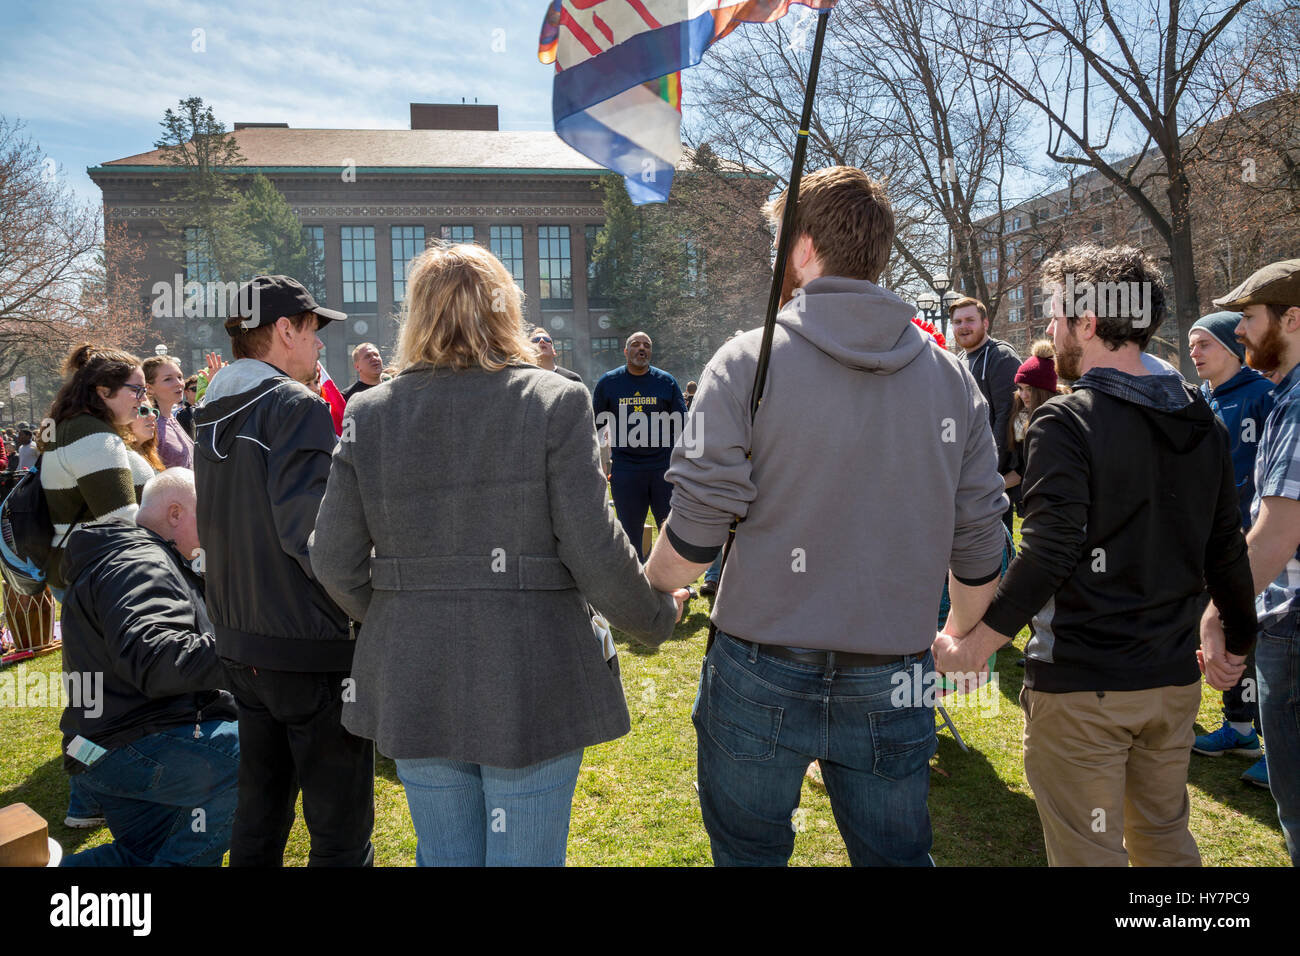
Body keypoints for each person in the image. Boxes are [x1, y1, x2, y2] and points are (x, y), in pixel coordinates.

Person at [644, 166, 1008, 867]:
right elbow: (979, 539)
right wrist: (962, 631)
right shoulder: (950, 378)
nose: (775, 257)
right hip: (891, 663)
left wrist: (654, 584)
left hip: (760, 664)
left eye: (780, 241)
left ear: (804, 246)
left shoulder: (746, 360)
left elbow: (694, 531)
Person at [310, 243, 688, 867]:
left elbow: (333, 560)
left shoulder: (370, 411)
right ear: (504, 308)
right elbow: (593, 545)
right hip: (529, 668)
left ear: (416, 315)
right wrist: (655, 616)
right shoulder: (552, 399)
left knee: (446, 856)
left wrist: (400, 607)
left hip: (417, 667)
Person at [935, 243, 1257, 867]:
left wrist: (970, 650)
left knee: (1090, 854)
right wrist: (1236, 641)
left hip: (1084, 689)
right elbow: (1227, 549)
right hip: (1170, 688)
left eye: (1055, 316)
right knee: (1164, 842)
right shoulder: (1203, 420)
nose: (1048, 332)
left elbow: (1050, 551)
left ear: (1088, 323)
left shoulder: (1067, 420)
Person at [194, 274, 374, 867]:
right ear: (283, 329)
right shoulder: (291, 404)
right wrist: (367, 604)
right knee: (340, 832)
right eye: (314, 331)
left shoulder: (210, 407)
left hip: (241, 642)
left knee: (260, 814)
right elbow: (313, 538)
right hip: (307, 647)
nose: (321, 346)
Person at [58, 468, 239, 866]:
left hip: (99, 749)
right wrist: (248, 652)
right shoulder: (142, 560)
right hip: (131, 744)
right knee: (259, 756)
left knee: (142, 855)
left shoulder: (126, 556)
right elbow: (156, 658)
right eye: (210, 516)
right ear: (175, 514)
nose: (217, 529)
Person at [1204, 258, 1300, 865]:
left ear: (1292, 318)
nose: (1239, 331)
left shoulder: (1296, 404)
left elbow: (1276, 533)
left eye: (1248, 318)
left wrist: (1219, 615)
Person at [40, 344, 155, 829]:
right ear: (103, 391)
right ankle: (91, 799)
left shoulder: (75, 431)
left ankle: (88, 798)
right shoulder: (93, 438)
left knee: (92, 695)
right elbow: (123, 523)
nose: (142, 400)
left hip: (82, 580)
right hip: (104, 583)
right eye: (136, 390)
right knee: (107, 697)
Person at [1187, 310, 1275, 787]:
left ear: (1231, 346)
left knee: (1254, 636)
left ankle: (1272, 738)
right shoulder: (1197, 398)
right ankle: (1239, 727)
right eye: (1192, 345)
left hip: (1255, 541)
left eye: (1204, 344)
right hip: (1206, 540)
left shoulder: (1264, 395)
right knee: (1218, 633)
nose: (1194, 353)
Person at [593, 332, 687, 561]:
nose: (641, 348)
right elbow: (594, 426)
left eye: (647, 345)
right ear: (626, 351)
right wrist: (600, 463)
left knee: (670, 527)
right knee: (629, 531)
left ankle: (673, 579)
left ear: (650, 352)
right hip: (626, 469)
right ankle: (636, 581)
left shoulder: (666, 381)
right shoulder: (609, 382)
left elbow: (683, 425)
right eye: (635, 344)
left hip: (662, 468)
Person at [950, 295, 1021, 530]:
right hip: (967, 477)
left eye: (970, 320)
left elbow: (1007, 414)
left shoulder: (1001, 356)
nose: (963, 327)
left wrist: (990, 471)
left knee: (996, 553)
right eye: (957, 322)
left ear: (985, 323)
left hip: (992, 477)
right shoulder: (959, 360)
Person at [1003, 340, 1058, 519]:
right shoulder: (1020, 420)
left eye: (1030, 389)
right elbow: (1021, 470)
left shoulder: (1060, 420)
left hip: (1057, 506)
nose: (1023, 395)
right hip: (1033, 506)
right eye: (1020, 388)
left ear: (1043, 390)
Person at [143, 355, 194, 469]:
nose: (179, 383)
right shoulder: (149, 425)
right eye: (168, 379)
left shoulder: (172, 418)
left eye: (180, 377)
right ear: (149, 388)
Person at [125, 402, 165, 473]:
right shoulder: (123, 456)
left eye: (154, 411)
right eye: (143, 411)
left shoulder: (150, 453)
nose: (153, 416)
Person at [175, 375, 199, 440]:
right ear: (186, 392)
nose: (199, 391)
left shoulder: (205, 410)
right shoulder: (181, 413)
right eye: (195, 389)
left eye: (201, 388)